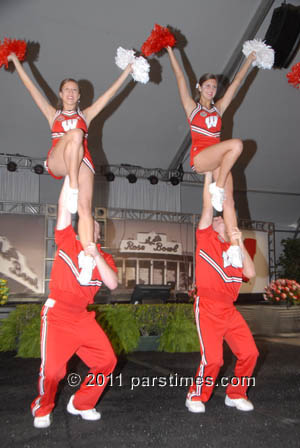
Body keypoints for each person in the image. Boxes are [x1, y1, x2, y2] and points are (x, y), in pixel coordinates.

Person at [7, 52, 132, 282]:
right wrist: (16, 62)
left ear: (79, 96)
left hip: (82, 161)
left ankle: (86, 257)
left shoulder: (87, 114)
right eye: (67, 89)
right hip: (58, 160)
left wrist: (128, 70)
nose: (71, 93)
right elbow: (32, 88)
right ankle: (72, 186)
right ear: (61, 93)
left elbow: (110, 95)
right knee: (75, 134)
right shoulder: (52, 114)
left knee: (85, 209)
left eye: (75, 90)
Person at [31, 176, 118, 429]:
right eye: (87, 228)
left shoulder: (105, 258)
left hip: (82, 317)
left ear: (99, 234)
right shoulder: (68, 242)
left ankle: (82, 403)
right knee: (53, 373)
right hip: (57, 315)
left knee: (106, 361)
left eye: (96, 229)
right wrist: (71, 177)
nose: (91, 231)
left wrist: (96, 255)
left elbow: (112, 283)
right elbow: (62, 209)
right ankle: (42, 407)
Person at [166, 46, 256, 267]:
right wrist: (169, 50)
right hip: (202, 157)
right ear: (199, 87)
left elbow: (237, 83)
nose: (211, 90)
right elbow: (180, 76)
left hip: (219, 159)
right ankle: (218, 187)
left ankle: (234, 248)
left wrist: (250, 59)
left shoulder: (219, 109)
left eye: (214, 87)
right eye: (207, 86)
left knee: (230, 203)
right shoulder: (192, 108)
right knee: (235, 145)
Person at [185, 171, 259, 413]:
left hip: (229, 309)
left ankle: (236, 393)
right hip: (207, 306)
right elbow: (209, 207)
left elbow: (251, 272)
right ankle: (196, 396)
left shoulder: (234, 250)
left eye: (222, 219)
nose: (219, 219)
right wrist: (209, 177)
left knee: (250, 353)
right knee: (214, 359)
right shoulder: (206, 239)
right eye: (218, 219)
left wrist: (239, 243)